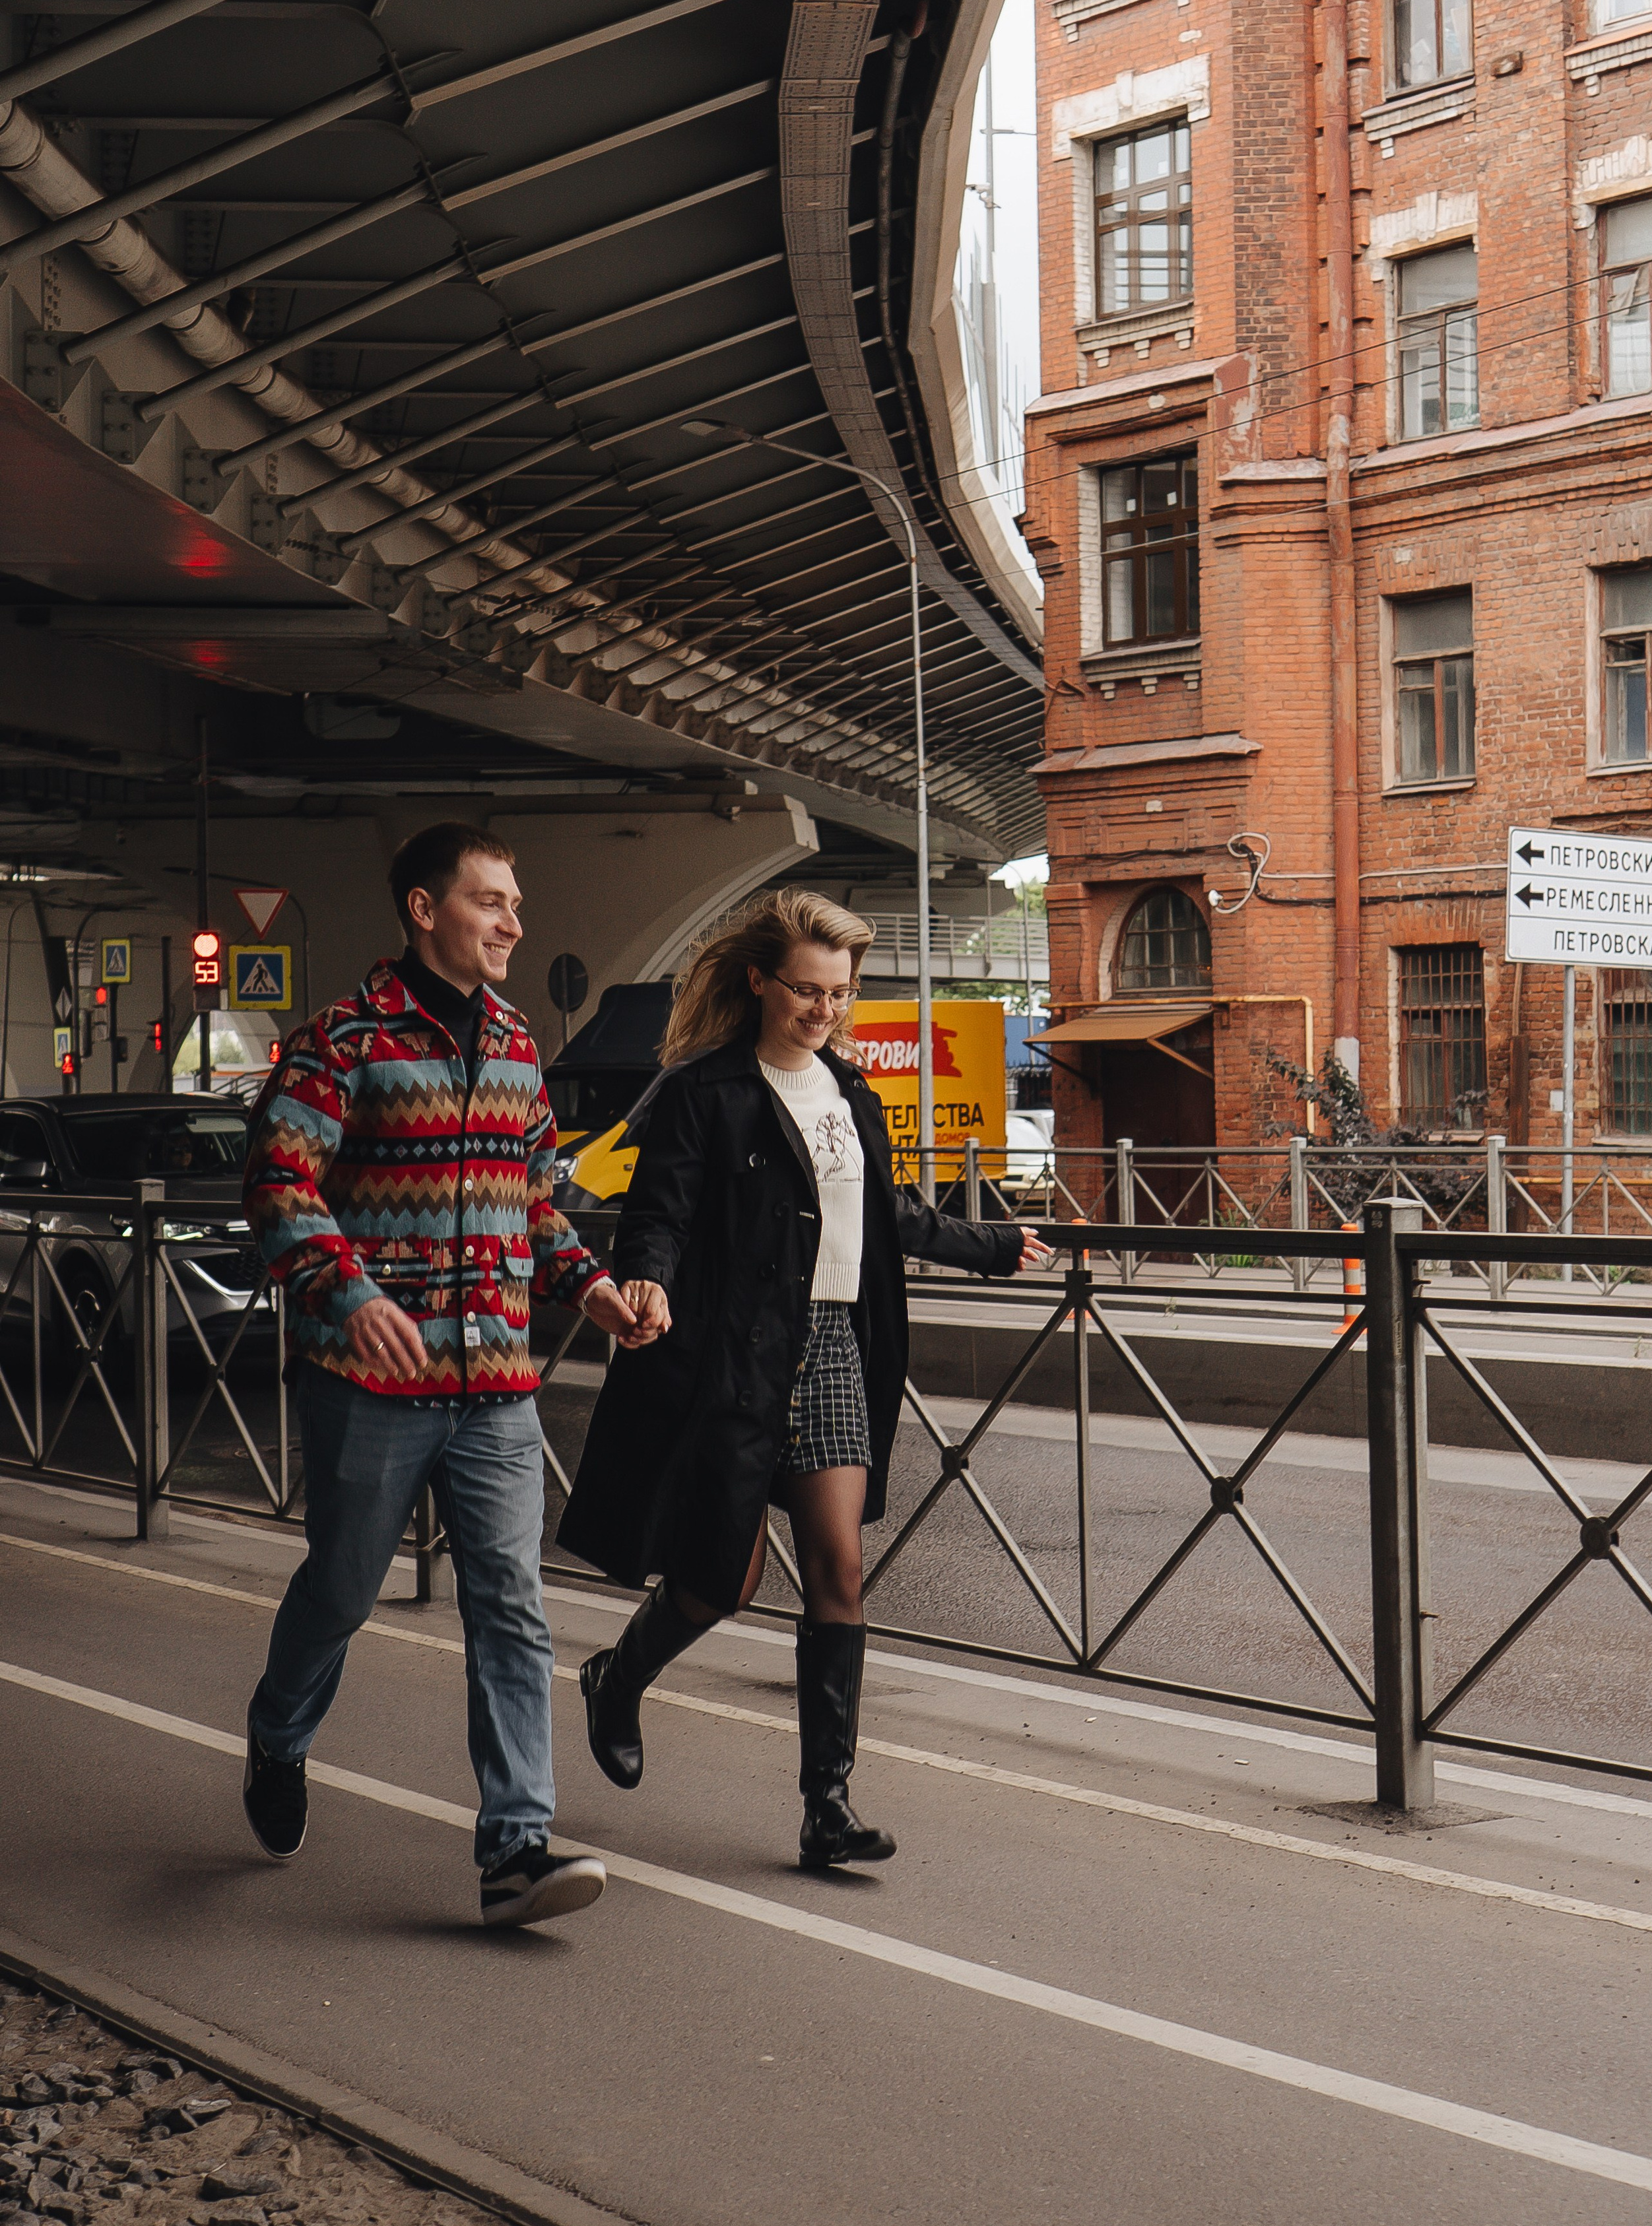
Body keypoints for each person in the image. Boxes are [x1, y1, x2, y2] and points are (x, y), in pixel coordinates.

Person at [561, 890, 1051, 1870]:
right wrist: (647, 1277)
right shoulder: (707, 1092)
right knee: (720, 1582)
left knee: (839, 1565)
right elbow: (656, 1214)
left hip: (833, 1348)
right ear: (760, 982)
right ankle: (617, 1678)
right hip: (736, 1355)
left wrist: (996, 1244)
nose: (823, 1008)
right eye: (806, 989)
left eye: (840, 992)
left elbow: (894, 1219)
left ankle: (827, 1807)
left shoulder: (851, 1095)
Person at [241, 822, 659, 1928]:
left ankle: (516, 1846)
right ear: (425, 910)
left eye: (515, 903)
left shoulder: (520, 1043)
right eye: (490, 901)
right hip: (370, 1384)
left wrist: (590, 1286)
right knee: (339, 1592)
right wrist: (351, 1293)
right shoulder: (345, 1039)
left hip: (498, 1388)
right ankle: (278, 1738)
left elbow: (532, 1203)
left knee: (512, 1608)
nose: (513, 922)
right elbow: (279, 1180)